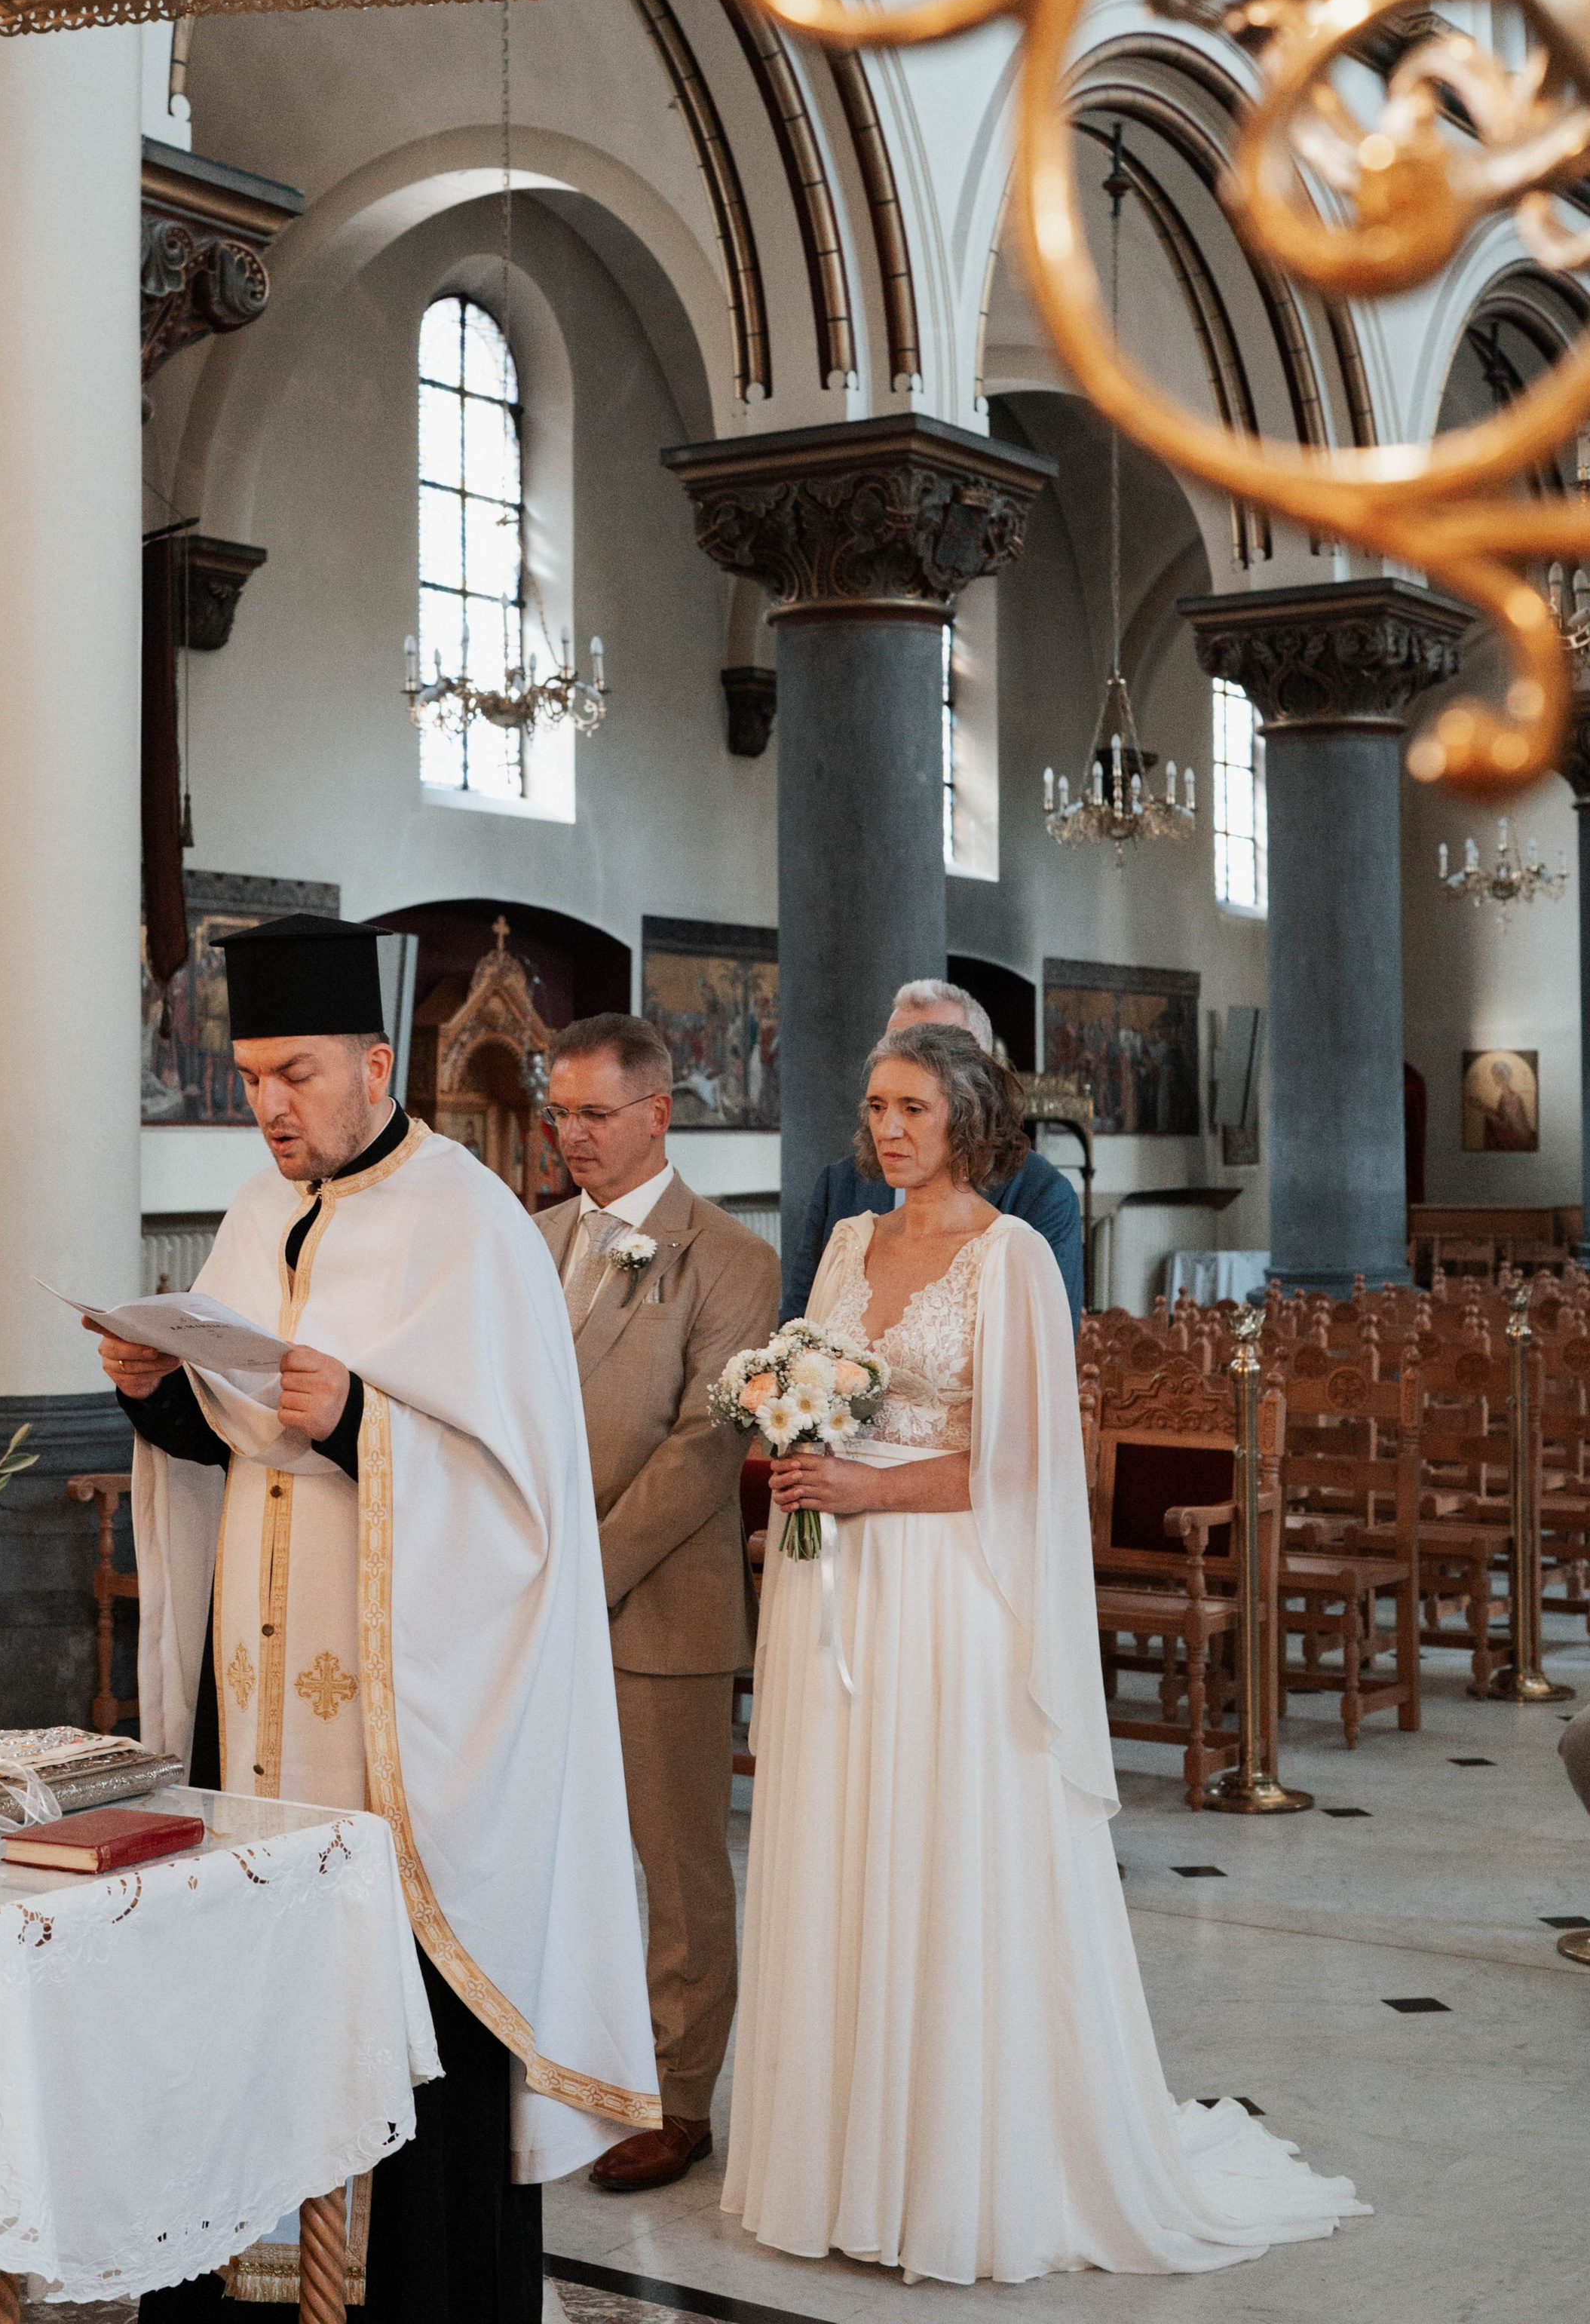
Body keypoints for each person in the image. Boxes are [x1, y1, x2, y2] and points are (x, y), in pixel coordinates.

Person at [723, 1022, 1366, 2286]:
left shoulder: (1012, 1257)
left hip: (944, 1590)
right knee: (836, 1846)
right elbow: (813, 1383)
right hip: (833, 1582)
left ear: (968, 1117)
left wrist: (865, 1487)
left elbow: (1028, 1460)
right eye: (874, 1106)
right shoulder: (848, 1244)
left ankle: (954, 2168)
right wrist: (797, 1455)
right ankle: (837, 2158)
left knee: (934, 1851)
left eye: (911, 1106)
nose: (887, 1129)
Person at [96, 917, 657, 2324]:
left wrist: (361, 1422)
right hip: (256, 1712)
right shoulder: (248, 1217)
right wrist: (156, 1390)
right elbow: (228, 1443)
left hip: (413, 1745)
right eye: (248, 1079)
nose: (268, 1108)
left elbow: (524, 1503)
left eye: (294, 1075)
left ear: (374, 1062)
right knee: (240, 2005)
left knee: (407, 2035)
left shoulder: (468, 1221)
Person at [532, 1013, 780, 2194]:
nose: (570, 1134)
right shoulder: (529, 1243)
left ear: (657, 1114)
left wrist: (586, 1566)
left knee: (675, 1868)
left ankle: (681, 2101)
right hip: (526, 1606)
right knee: (546, 1852)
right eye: (559, 1112)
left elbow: (703, 1447)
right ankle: (562, 2069)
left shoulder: (729, 1259)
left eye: (593, 1112)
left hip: (655, 1606)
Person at [782, 980, 1083, 1326]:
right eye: (896, 1046)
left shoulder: (1042, 1196)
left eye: (932, 1048)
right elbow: (798, 1328)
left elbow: (1044, 1347)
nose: (889, 1129)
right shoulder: (841, 1187)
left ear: (975, 1086)